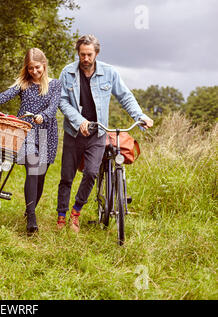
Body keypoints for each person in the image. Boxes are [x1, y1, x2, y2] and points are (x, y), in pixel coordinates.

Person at [56, 34, 153, 232]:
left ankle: (75, 213)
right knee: (67, 176)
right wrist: (79, 120)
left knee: (91, 173)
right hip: (74, 133)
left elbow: (125, 96)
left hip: (98, 133)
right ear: (78, 53)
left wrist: (139, 115)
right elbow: (62, 101)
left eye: (89, 54)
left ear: (96, 53)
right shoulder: (67, 72)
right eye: (82, 54)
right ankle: (61, 216)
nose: (85, 59)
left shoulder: (109, 73)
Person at [0, 48, 62, 235]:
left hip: (46, 132)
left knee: (40, 175)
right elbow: (4, 96)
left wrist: (43, 116)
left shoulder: (55, 84)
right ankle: (32, 218)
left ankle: (29, 210)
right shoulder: (23, 84)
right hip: (25, 130)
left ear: (44, 65)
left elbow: (54, 106)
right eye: (30, 68)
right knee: (33, 166)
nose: (34, 72)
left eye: (37, 67)